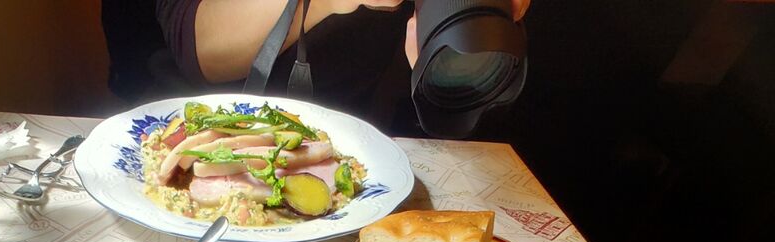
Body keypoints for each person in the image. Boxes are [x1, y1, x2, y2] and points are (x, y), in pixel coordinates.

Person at [147, 0, 530, 136]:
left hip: (360, 142)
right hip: (206, 131)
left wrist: (477, 16)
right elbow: (201, 50)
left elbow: (472, 80)